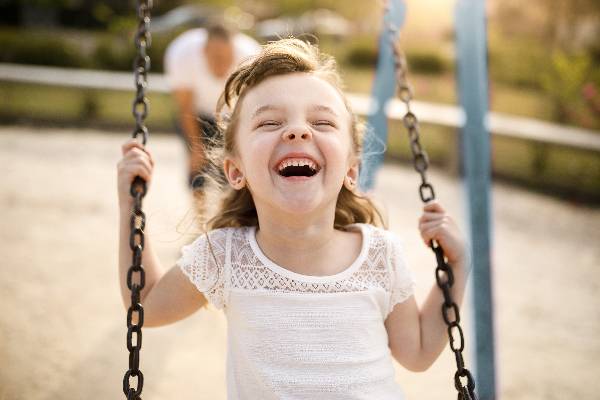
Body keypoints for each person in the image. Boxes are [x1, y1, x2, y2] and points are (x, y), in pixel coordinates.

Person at [118, 38, 471, 398]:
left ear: (352, 170)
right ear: (235, 171)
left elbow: (419, 352)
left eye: (321, 121)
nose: (298, 131)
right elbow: (144, 306)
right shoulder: (226, 256)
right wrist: (131, 204)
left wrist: (457, 267)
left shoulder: (379, 254)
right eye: (270, 122)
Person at [164, 22, 261, 189]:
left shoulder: (251, 57)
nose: (221, 65)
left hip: (232, 115)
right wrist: (196, 148)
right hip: (196, 113)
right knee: (198, 171)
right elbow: (185, 107)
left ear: (234, 51)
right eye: (216, 58)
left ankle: (229, 212)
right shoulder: (182, 54)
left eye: (226, 58)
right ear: (204, 52)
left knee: (232, 169)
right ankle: (199, 213)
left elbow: (252, 106)